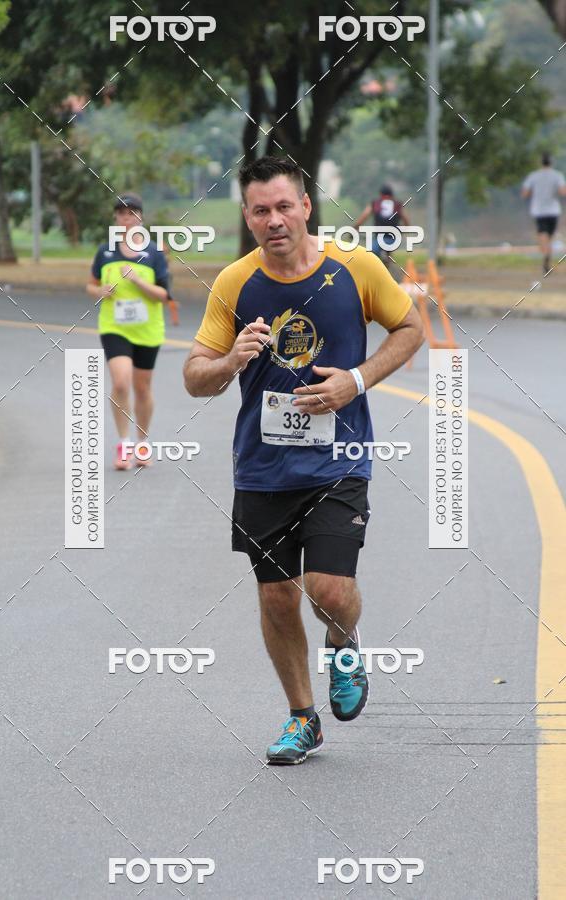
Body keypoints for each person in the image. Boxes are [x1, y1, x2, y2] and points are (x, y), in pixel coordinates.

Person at [183, 157, 424, 765]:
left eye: (284, 207)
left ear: (306, 207)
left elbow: (410, 328)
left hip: (339, 460)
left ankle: (343, 642)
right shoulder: (235, 283)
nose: (274, 220)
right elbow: (194, 377)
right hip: (262, 469)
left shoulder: (355, 266)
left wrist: (355, 381)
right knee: (276, 598)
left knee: (329, 590)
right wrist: (231, 360)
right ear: (247, 217)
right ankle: (302, 718)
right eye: (261, 210)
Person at [86, 194, 171, 470]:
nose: (127, 217)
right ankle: (124, 444)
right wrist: (100, 291)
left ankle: (142, 443)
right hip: (114, 327)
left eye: (132, 212)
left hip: (148, 330)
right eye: (122, 213)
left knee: (142, 388)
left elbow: (164, 295)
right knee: (121, 382)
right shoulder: (105, 251)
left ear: (140, 218)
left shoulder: (154, 253)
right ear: (115, 218)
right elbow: (90, 285)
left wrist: (136, 280)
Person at [522, 153, 566, 276]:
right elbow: (563, 191)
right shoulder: (557, 175)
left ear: (541, 162)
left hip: (539, 210)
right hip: (553, 210)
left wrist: (536, 193)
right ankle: (547, 255)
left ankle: (546, 255)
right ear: (551, 162)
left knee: (542, 235)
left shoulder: (533, 176)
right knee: (549, 236)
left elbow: (525, 193)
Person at [354, 184, 410, 266]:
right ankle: (388, 263)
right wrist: (403, 230)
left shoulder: (375, 203)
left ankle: (378, 267)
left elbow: (364, 216)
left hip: (378, 238)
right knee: (388, 253)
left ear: (380, 194)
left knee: (373, 254)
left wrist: (355, 227)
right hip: (393, 238)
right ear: (392, 195)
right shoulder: (397, 204)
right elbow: (406, 220)